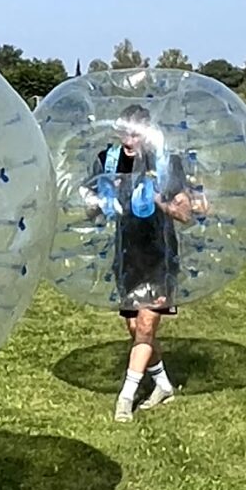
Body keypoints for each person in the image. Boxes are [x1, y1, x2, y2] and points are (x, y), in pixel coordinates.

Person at [89, 105, 202, 419]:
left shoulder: (167, 164)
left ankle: (126, 398)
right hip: (127, 255)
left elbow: (185, 213)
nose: (128, 138)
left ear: (147, 133)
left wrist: (158, 199)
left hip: (159, 256)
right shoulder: (107, 160)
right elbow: (89, 205)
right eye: (124, 131)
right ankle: (163, 384)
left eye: (135, 133)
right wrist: (99, 202)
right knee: (135, 327)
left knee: (146, 324)